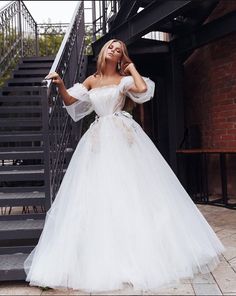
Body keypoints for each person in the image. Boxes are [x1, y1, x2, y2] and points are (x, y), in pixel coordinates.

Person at [24, 39, 225, 293]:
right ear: (104, 51)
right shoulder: (91, 80)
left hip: (122, 136)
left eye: (119, 50)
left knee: (131, 191)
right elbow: (72, 104)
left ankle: (139, 256)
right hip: (98, 140)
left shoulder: (124, 78)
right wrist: (61, 83)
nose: (114, 51)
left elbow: (142, 91)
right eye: (111, 47)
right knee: (98, 195)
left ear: (122, 57)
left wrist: (130, 69)